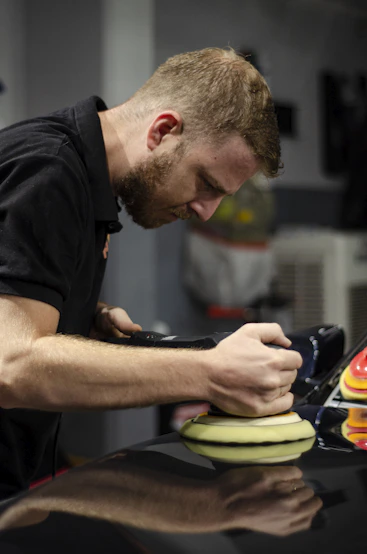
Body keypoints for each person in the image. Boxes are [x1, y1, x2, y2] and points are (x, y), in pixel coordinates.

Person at [0, 47, 302, 495]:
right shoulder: (50, 171)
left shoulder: (85, 179)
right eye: (206, 184)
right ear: (163, 131)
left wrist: (78, 311)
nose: (206, 212)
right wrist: (210, 373)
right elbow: (10, 365)